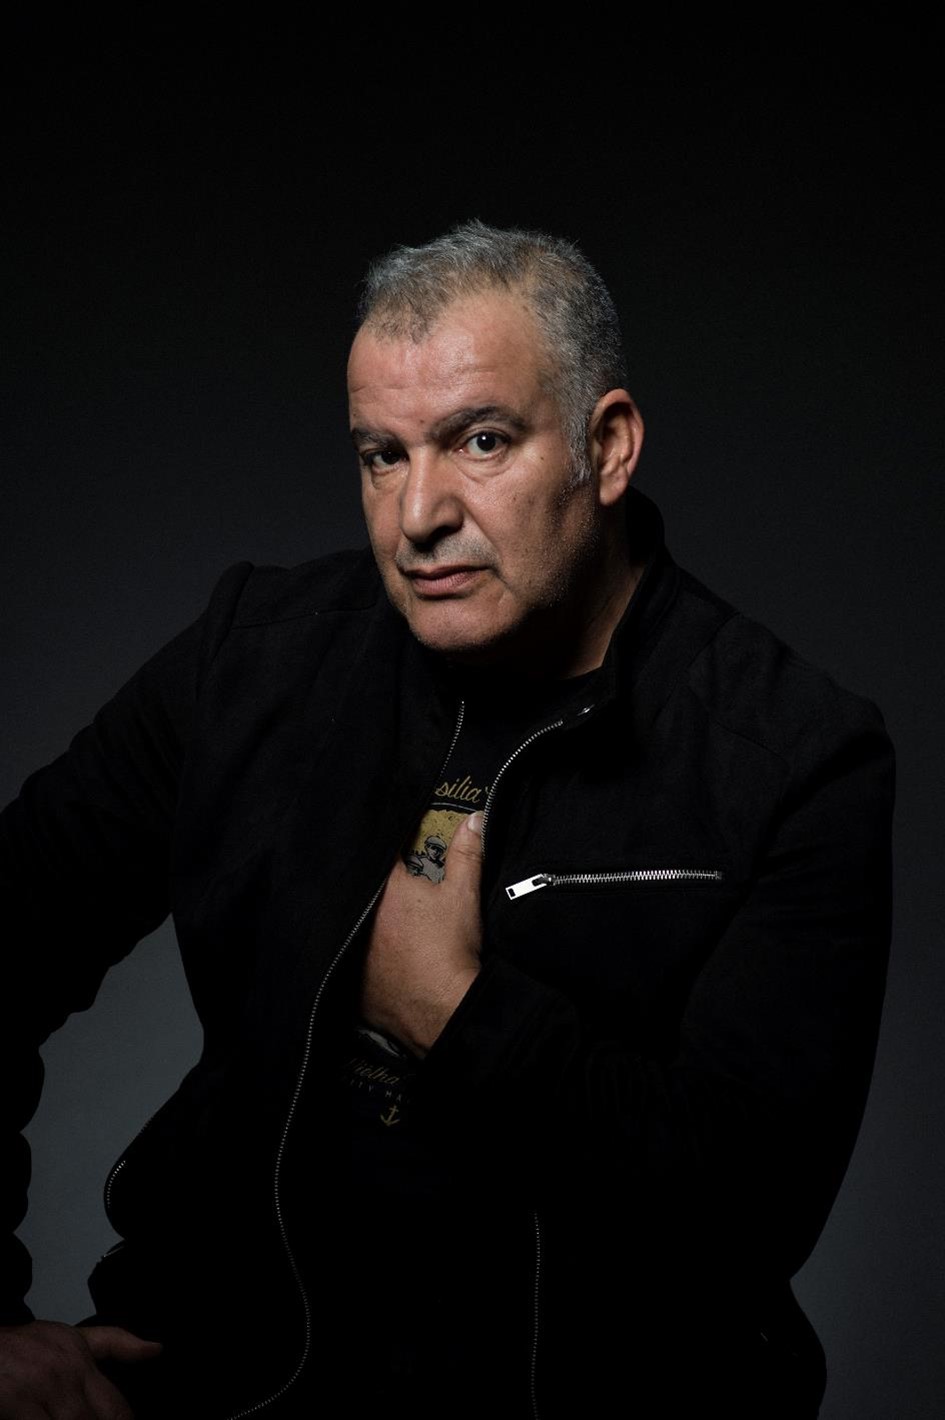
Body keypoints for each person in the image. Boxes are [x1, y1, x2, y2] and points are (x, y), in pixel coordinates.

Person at [0, 222, 894, 1419]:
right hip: (223, 1386)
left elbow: (742, 1216)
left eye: (481, 441)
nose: (418, 513)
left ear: (606, 447)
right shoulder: (252, 661)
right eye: (382, 454)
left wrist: (456, 1013)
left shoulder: (792, 755)